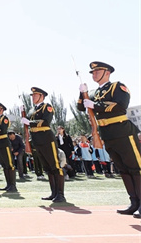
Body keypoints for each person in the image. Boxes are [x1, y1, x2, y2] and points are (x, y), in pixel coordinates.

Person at [78, 61, 141, 217]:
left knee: (136, 167)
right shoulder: (92, 93)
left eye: (97, 71)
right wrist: (82, 93)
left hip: (123, 131)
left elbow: (120, 105)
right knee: (123, 169)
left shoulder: (117, 87)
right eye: (92, 72)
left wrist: (95, 105)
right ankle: (134, 202)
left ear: (107, 72)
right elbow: (81, 107)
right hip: (107, 134)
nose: (94, 74)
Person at [22, 87, 65, 202]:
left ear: (42, 96)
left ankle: (60, 194)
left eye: (35, 95)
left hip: (46, 138)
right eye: (32, 95)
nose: (33, 97)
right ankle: (53, 193)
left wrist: (30, 122)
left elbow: (45, 121)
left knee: (55, 166)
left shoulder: (47, 107)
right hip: (37, 140)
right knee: (48, 168)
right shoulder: (31, 110)